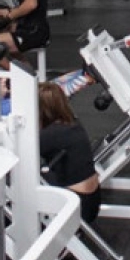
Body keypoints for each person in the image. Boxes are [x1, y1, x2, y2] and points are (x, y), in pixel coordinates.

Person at [37, 82, 100, 223]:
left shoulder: (50, 135)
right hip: (92, 202)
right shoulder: (72, 123)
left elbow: (19, 151)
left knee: (21, 181)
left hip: (80, 209)